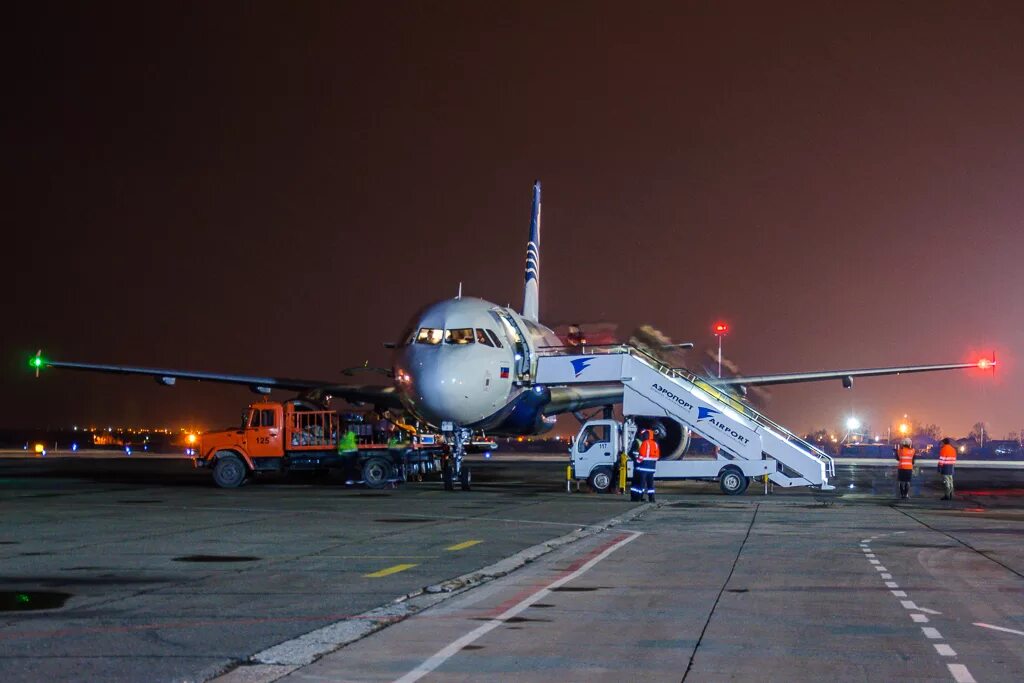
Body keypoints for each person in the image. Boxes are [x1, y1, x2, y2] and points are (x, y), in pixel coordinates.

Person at [630, 429, 660, 502]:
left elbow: (641, 456)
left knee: (641, 484)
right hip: (651, 469)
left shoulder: (645, 443)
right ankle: (652, 499)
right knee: (650, 485)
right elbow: (657, 457)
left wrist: (637, 462)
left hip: (643, 468)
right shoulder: (655, 444)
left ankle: (638, 498)